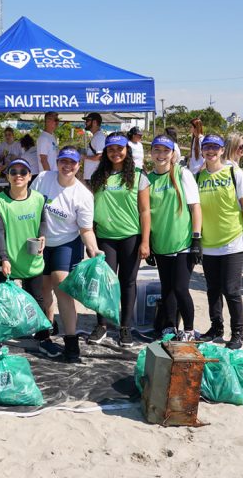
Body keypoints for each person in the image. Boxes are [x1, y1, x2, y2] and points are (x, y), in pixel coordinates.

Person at [31, 146, 100, 362]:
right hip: (40, 240)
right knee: (43, 287)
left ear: (79, 166)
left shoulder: (83, 195)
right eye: (63, 161)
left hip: (66, 243)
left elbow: (86, 230)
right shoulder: (43, 178)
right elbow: (28, 204)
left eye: (72, 163)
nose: (67, 166)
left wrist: (94, 249)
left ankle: (71, 341)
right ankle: (46, 331)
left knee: (62, 286)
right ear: (57, 162)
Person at [87, 133, 151, 348]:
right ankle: (102, 325)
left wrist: (145, 241)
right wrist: (91, 241)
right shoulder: (98, 176)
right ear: (105, 152)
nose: (116, 153)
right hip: (105, 237)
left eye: (120, 149)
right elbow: (90, 209)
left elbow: (145, 211)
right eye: (111, 149)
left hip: (130, 237)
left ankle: (125, 327)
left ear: (127, 150)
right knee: (104, 283)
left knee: (128, 282)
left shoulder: (139, 175)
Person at [196, 135, 243, 350]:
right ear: (202, 151)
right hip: (209, 242)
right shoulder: (198, 176)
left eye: (215, 148)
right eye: (207, 147)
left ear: (222, 150)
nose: (211, 151)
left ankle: (238, 332)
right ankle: (216, 328)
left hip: (233, 240)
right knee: (212, 289)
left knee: (231, 290)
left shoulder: (234, 172)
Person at [0, 158, 50, 350]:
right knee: (2, 300)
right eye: (13, 172)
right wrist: (5, 258)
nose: (18, 176)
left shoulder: (39, 198)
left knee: (37, 297)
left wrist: (42, 236)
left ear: (29, 176)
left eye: (23, 172)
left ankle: (42, 335)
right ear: (7, 176)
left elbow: (42, 222)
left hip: (31, 258)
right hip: (6, 259)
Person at [147, 135, 202, 341]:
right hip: (161, 243)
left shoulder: (182, 174)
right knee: (167, 288)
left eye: (165, 151)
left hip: (183, 243)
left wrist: (197, 239)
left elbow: (195, 207)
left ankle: (188, 329)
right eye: (157, 150)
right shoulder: (148, 179)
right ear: (151, 153)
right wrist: (149, 244)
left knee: (180, 288)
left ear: (172, 154)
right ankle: (169, 327)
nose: (161, 155)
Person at [82, 113, 106, 184]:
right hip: (91, 176)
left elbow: (100, 156)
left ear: (95, 122)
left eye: (88, 121)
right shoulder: (96, 136)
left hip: (94, 176)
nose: (86, 123)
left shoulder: (99, 137)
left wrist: (84, 157)